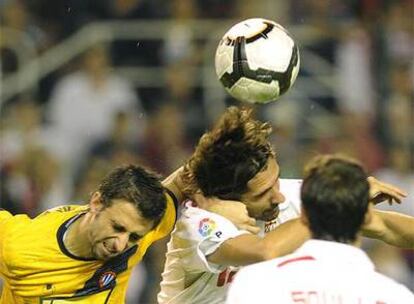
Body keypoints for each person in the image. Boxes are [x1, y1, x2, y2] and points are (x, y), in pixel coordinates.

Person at [158, 106, 410, 304]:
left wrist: (346, 200)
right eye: (263, 193)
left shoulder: (287, 195)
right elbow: (264, 251)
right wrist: (332, 201)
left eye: (276, 181)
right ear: (228, 196)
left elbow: (386, 227)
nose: (278, 196)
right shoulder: (196, 224)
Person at [226, 155, 414, 304]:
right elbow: (264, 251)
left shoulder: (253, 283)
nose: (279, 198)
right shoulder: (394, 297)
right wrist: (350, 203)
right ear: (366, 216)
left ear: (304, 214)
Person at [0, 164, 179, 303]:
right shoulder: (20, 246)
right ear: (96, 202)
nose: (120, 245)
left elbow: (188, 178)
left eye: (133, 237)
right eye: (117, 227)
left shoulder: (140, 225)